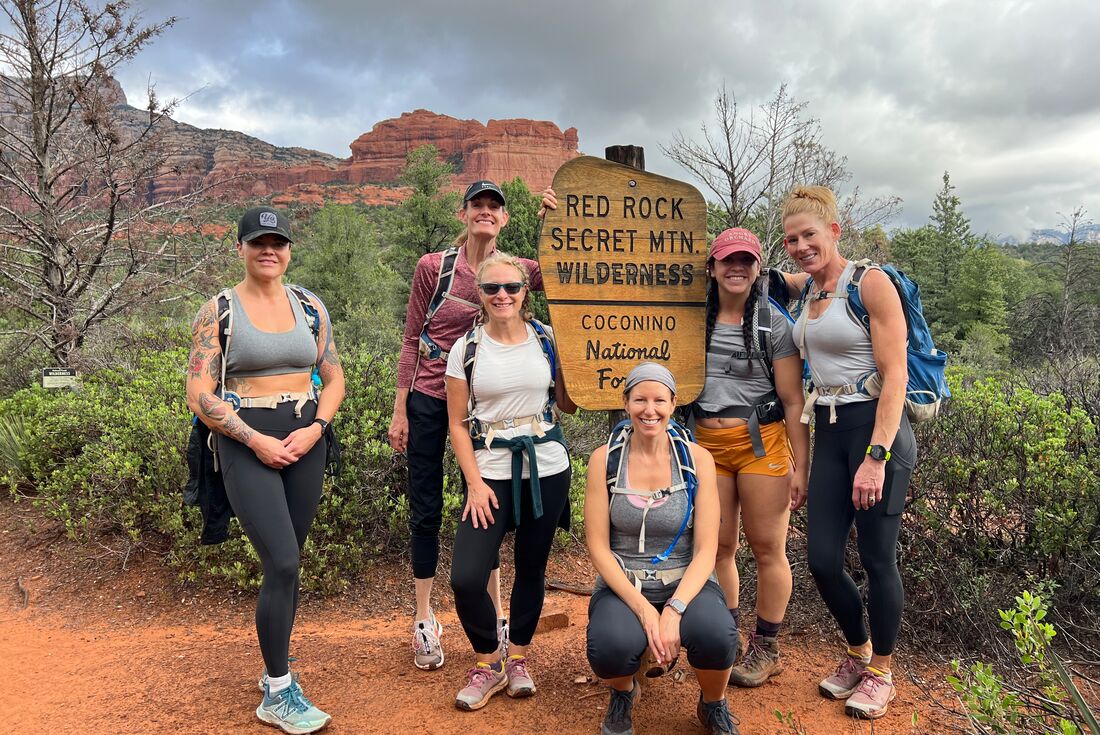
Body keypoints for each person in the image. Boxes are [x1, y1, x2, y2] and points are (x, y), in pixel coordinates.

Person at [185, 206, 345, 734]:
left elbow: (332, 374)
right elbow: (199, 393)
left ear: (289, 249)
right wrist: (255, 441)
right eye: (258, 242)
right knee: (280, 561)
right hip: (242, 442)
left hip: (305, 439)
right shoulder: (219, 311)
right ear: (241, 249)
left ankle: (275, 663)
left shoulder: (310, 305)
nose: (268, 250)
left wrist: (317, 427)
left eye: (277, 242)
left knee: (289, 561)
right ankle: (278, 691)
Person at [389, 180, 549, 670]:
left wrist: (551, 224)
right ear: (464, 214)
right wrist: (400, 408)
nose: (485, 212)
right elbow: (413, 334)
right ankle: (423, 618)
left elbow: (564, 275)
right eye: (477, 205)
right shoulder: (433, 268)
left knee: (485, 503)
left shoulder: (517, 270)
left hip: (484, 408)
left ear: (504, 219)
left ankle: (497, 616)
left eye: (493, 208)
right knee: (426, 505)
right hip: (428, 399)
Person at [782, 185, 917, 720]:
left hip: (875, 431)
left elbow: (896, 375)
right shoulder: (808, 294)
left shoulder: (872, 283)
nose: (800, 246)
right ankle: (858, 652)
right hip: (830, 431)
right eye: (791, 239)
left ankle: (882, 670)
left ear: (834, 231)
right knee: (821, 560)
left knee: (878, 558)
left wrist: (877, 455)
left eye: (809, 235)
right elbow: (748, 276)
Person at [444, 252, 576, 710]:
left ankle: (517, 656)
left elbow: (569, 404)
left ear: (525, 291)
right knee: (466, 577)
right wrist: (474, 483)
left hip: (548, 466)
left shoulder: (547, 338)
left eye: (512, 287)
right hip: (492, 473)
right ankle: (489, 661)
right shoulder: (467, 349)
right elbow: (458, 424)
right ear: (479, 295)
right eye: (492, 288)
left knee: (531, 568)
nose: (503, 296)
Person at [585, 363, 740, 735]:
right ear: (626, 403)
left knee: (718, 636)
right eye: (639, 399)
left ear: (673, 404)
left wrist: (673, 609)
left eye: (659, 400)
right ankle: (623, 693)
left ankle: (713, 702)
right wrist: (643, 609)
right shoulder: (605, 460)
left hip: (686, 579)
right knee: (609, 646)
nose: (649, 409)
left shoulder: (696, 459)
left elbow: (706, 549)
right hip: (626, 582)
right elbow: (598, 547)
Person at [691, 227, 810, 688]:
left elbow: (793, 400)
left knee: (766, 548)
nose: (736, 268)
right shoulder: (692, 318)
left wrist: (802, 465)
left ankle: (766, 647)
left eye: (746, 260)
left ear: (759, 267)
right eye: (727, 260)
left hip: (762, 445)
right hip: (706, 445)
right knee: (719, 548)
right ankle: (726, 636)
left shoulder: (772, 323)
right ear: (712, 267)